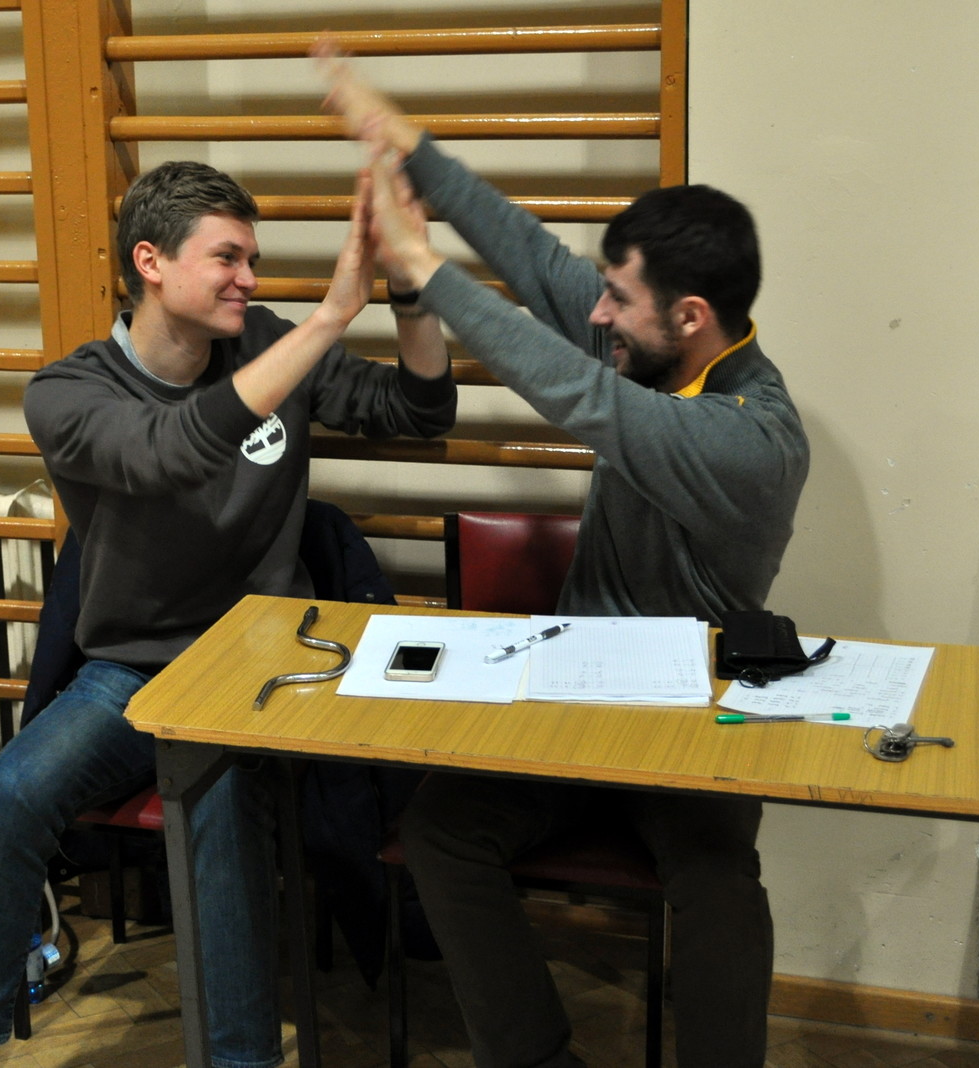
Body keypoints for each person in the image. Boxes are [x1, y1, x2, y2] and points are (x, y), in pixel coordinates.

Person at [317, 48, 809, 1068]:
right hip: (577, 698)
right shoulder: (649, 348)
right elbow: (539, 262)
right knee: (443, 832)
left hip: (690, 718)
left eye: (617, 298)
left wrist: (423, 272)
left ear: (690, 316)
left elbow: (582, 398)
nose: (595, 313)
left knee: (722, 887)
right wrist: (410, 145)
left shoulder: (750, 439)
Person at [0, 159, 456, 1068]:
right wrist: (331, 316)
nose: (248, 279)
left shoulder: (267, 343)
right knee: (10, 790)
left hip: (259, 666)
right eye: (228, 258)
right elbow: (167, 453)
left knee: (218, 803)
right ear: (152, 262)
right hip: (132, 669)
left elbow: (420, 407)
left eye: (252, 260)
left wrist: (407, 290)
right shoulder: (68, 393)